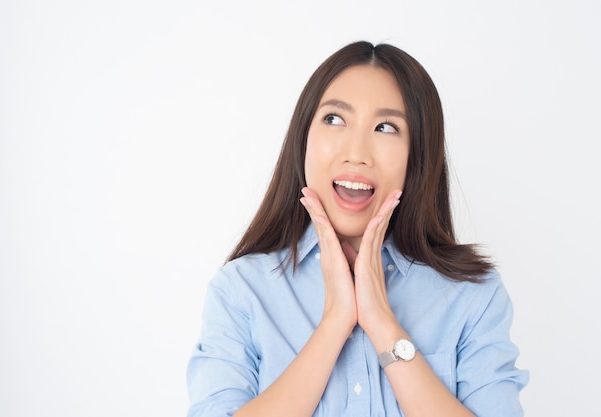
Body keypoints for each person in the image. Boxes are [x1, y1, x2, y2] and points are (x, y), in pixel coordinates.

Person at [186, 40, 528, 417]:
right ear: (303, 137)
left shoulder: (472, 297)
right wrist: (335, 321)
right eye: (334, 119)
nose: (357, 152)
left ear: (418, 156)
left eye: (386, 127)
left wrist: (383, 323)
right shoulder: (242, 292)